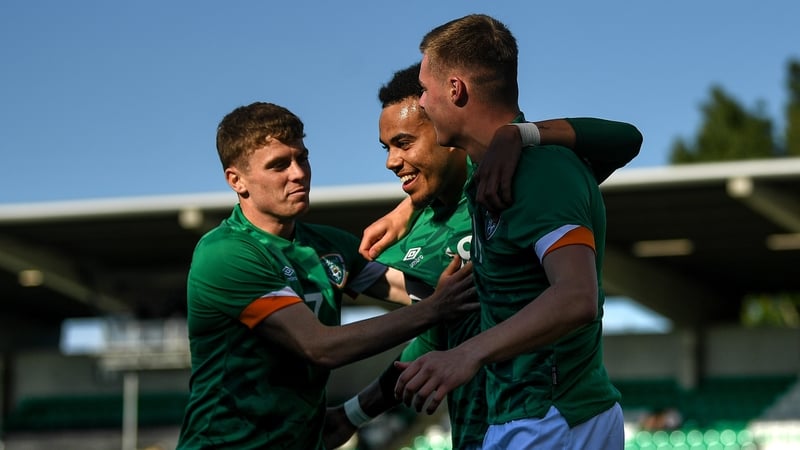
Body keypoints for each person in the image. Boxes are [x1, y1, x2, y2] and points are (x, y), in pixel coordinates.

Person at [325, 61, 642, 448]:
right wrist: (352, 413)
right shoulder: (418, 232)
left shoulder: (511, 177)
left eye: (404, 143)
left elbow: (626, 139)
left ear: (442, 126)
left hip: (544, 416)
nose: (391, 161)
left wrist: (519, 133)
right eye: (386, 147)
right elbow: (434, 339)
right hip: (479, 428)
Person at [175, 101, 479, 450]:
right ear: (236, 180)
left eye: (302, 158)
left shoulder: (330, 247)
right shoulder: (226, 253)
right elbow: (319, 347)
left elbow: (424, 293)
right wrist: (434, 309)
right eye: (279, 165)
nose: (298, 173)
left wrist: (415, 206)